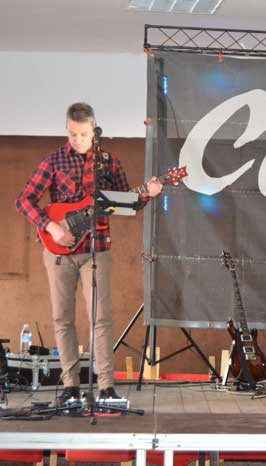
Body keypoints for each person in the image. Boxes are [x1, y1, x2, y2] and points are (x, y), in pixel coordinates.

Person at [15, 102, 163, 404]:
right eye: (72, 134)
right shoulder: (54, 160)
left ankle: (106, 386)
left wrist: (147, 193)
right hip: (58, 251)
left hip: (97, 248)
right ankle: (70, 386)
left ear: (94, 131)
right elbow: (24, 200)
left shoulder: (108, 162)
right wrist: (51, 227)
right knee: (62, 318)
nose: (77, 140)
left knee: (101, 318)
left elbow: (125, 203)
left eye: (83, 134)